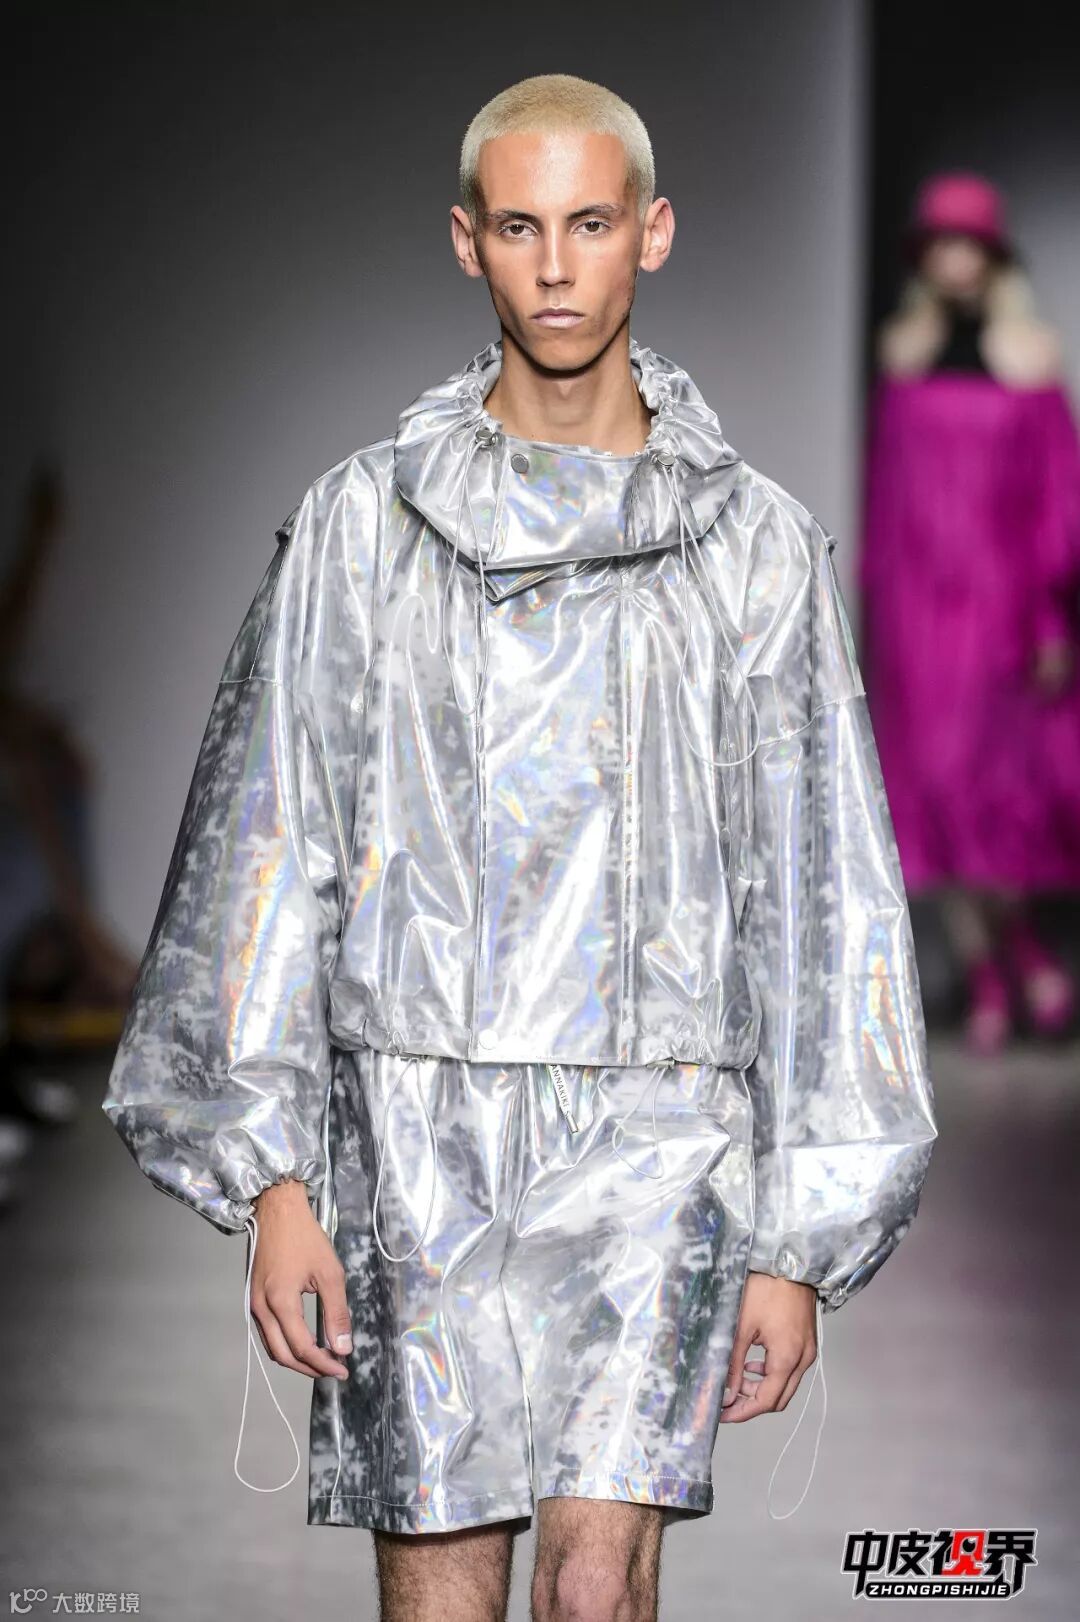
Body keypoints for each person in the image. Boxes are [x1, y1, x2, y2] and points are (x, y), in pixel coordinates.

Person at [102, 74, 938, 1622]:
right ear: (467, 240)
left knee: (596, 1585)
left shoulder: (754, 547)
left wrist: (803, 1234)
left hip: (662, 1130)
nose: (556, 268)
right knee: (437, 1599)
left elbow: (824, 888)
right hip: (414, 1128)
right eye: (520, 227)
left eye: (592, 224)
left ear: (653, 234)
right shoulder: (361, 527)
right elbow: (270, 840)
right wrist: (273, 1176)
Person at [860, 171, 1080, 1055]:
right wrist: (875, 606)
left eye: (969, 244)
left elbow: (1057, 496)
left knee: (995, 790)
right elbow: (887, 495)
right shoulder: (902, 353)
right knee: (933, 788)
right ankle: (997, 972)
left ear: (992, 256)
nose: (954, 260)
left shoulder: (1031, 356)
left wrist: (1053, 617)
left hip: (1000, 607)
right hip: (918, 608)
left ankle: (1019, 956)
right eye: (940, 244)